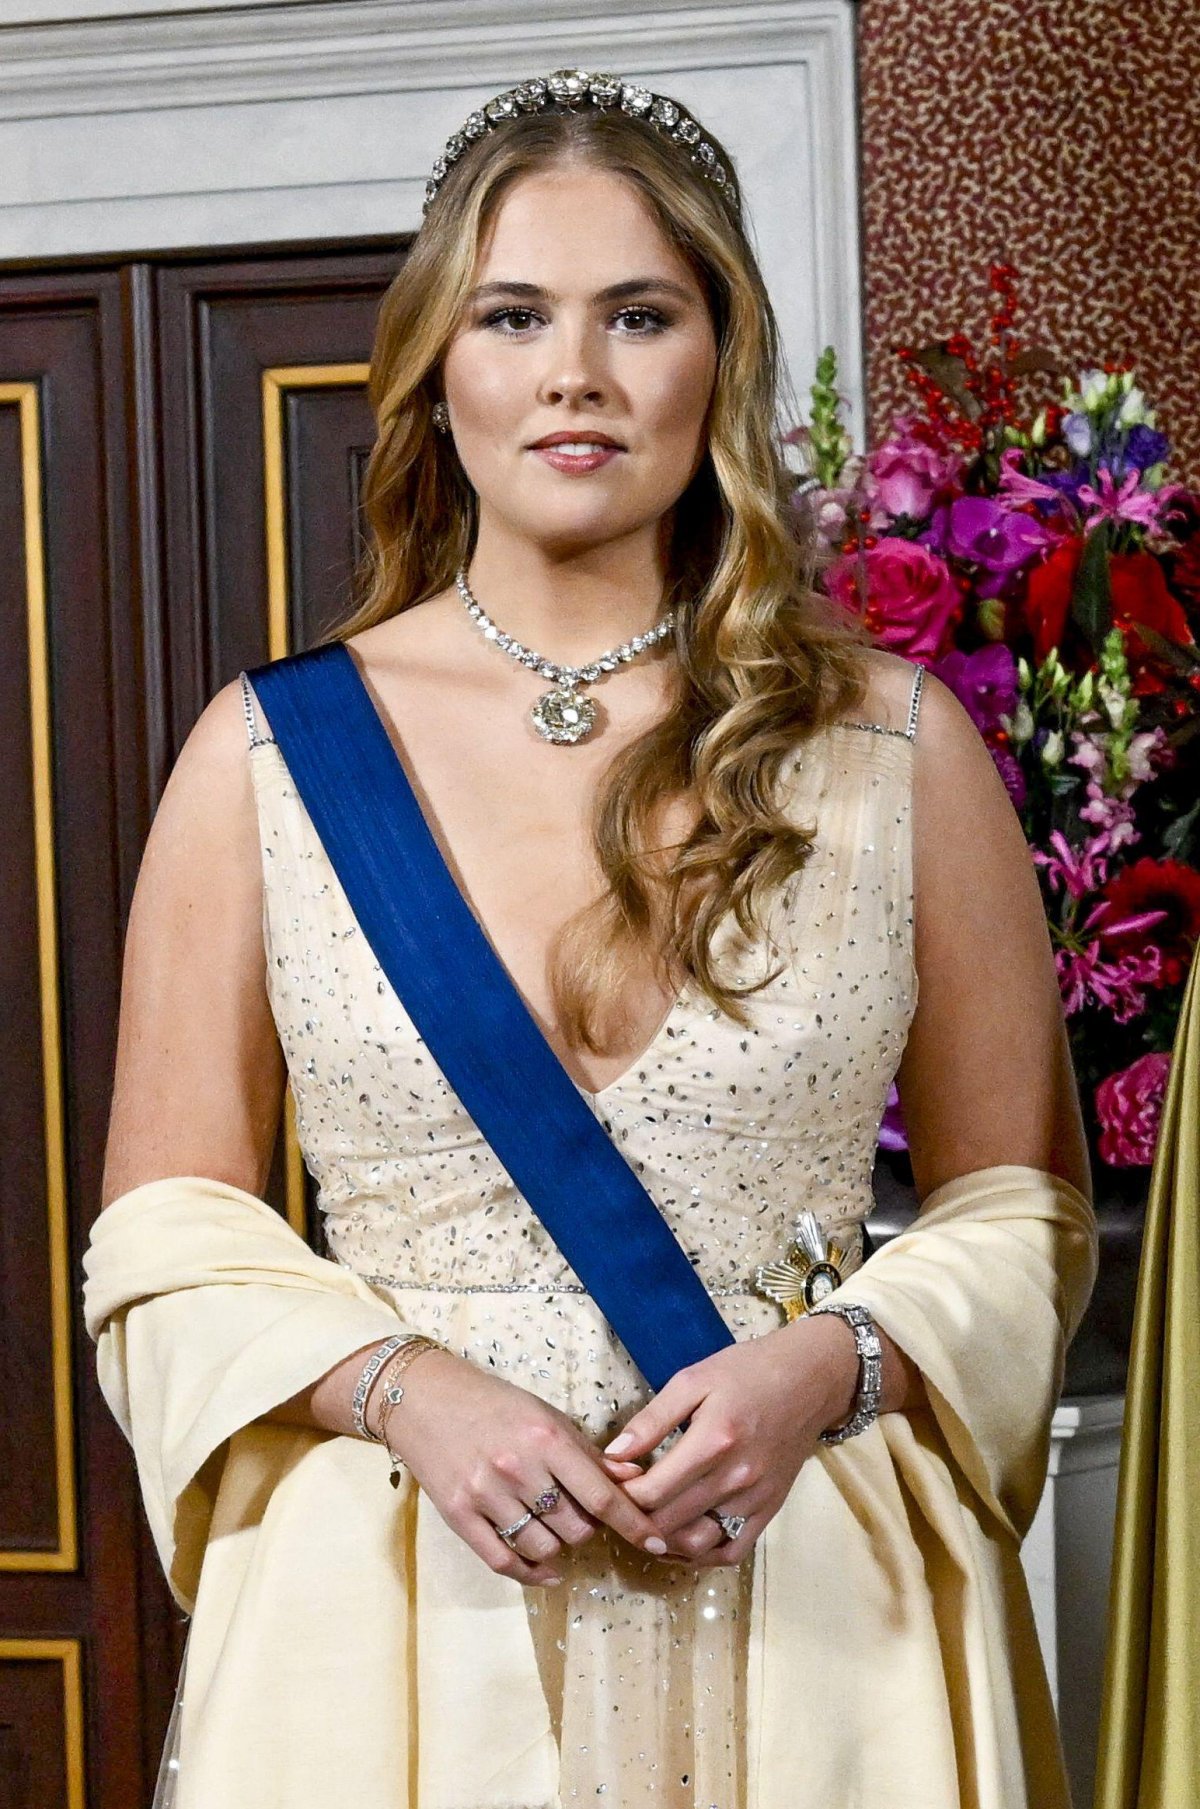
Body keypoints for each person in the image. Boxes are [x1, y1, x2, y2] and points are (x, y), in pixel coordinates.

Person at [83, 68, 1099, 1809]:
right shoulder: (266, 757)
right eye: (513, 316)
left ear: (720, 357)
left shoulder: (895, 746)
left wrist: (831, 1366)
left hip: (814, 1604)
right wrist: (402, 1388)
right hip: (403, 1608)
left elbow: (1023, 1213)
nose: (575, 372)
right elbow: (165, 1237)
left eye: (639, 314)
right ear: (437, 368)